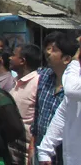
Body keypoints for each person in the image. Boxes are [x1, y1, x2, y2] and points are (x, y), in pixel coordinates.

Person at [37, 34, 81, 165]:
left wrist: (73, 61)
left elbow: (71, 89)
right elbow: (62, 115)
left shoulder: (72, 82)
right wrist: (45, 149)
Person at [8, 44, 41, 145]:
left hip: (28, 150)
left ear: (22, 61)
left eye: (13, 55)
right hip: (12, 146)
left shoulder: (37, 82)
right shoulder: (15, 81)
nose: (10, 58)